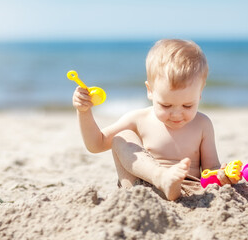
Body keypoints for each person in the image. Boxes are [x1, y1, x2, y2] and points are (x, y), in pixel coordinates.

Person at [72, 39, 238, 201]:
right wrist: (84, 111)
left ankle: (167, 181)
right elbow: (96, 144)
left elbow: (210, 170)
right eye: (166, 105)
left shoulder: (202, 124)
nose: (176, 114)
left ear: (200, 94)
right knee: (121, 137)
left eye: (187, 105)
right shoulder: (139, 119)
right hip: (141, 189)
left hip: (187, 189)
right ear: (150, 91)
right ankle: (160, 177)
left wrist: (222, 176)